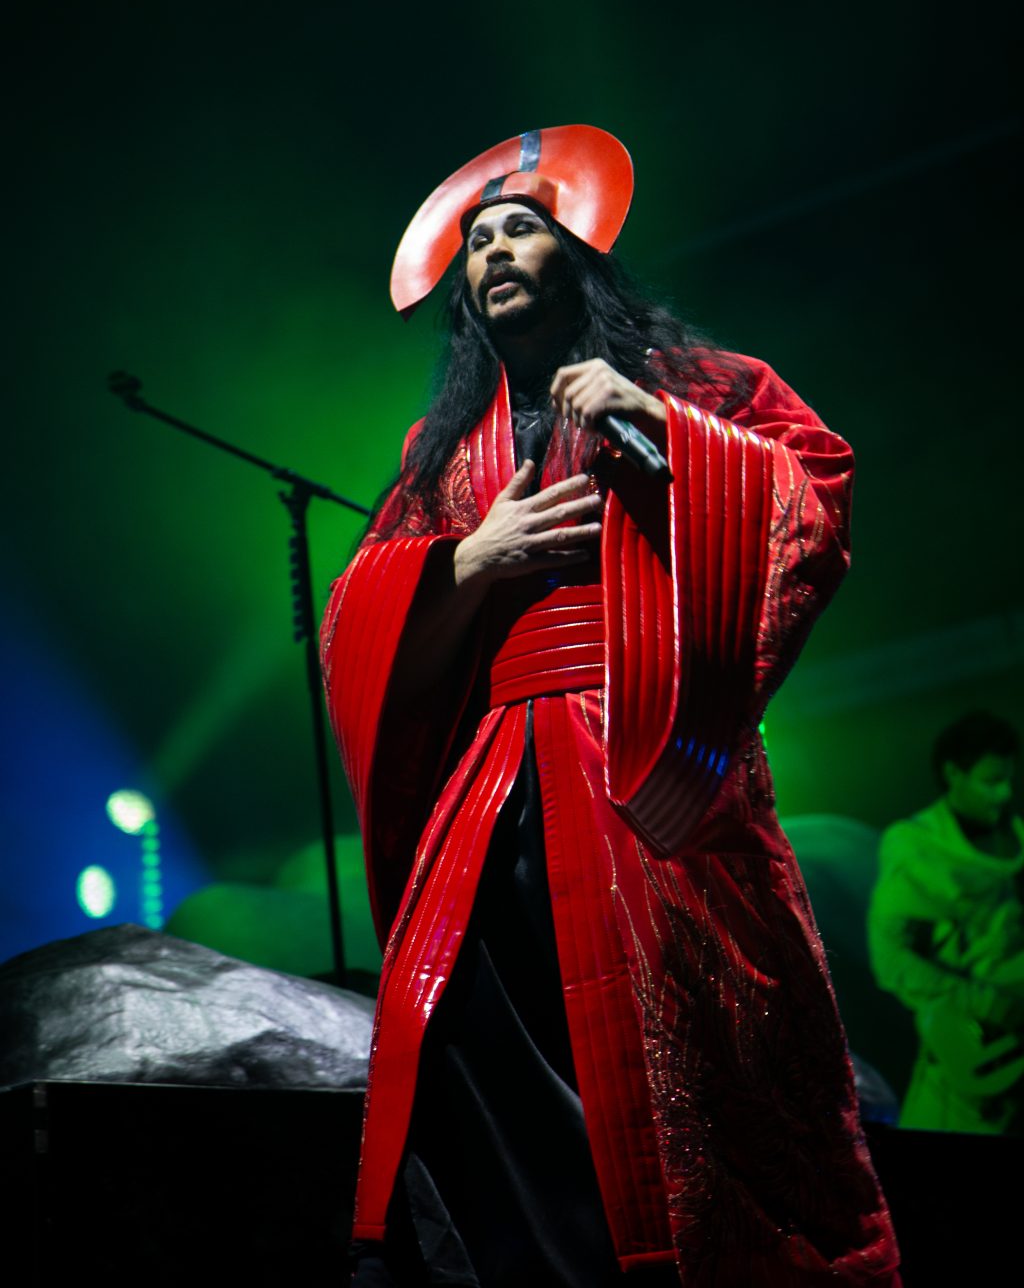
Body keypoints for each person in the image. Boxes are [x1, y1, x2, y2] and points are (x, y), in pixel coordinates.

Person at [321, 126, 900, 1286]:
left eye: (518, 228)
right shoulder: (437, 458)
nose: (491, 252)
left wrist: (657, 425)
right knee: (468, 1049)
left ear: (578, 253)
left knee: (685, 1051)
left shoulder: (705, 386)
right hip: (492, 796)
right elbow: (351, 621)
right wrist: (461, 564)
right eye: (475, 240)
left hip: (645, 769)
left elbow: (815, 497)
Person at [869, 710, 1024, 1134]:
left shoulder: (1017, 836)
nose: (1004, 793)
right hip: (972, 1054)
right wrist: (985, 1003)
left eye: (1009, 779)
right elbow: (890, 959)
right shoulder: (916, 846)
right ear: (954, 773)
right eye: (991, 781)